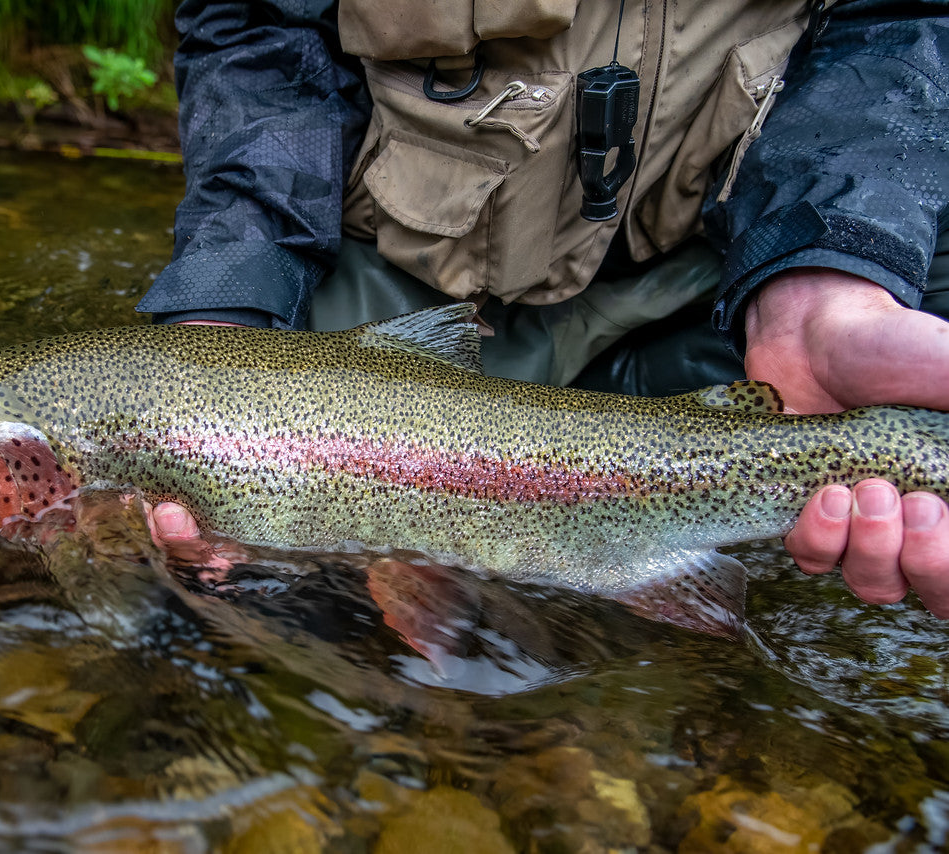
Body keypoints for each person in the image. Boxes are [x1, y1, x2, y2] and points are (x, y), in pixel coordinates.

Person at [135, 0, 949, 617]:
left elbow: (896, 17)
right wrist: (225, 313)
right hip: (395, 263)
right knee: (258, 601)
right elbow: (259, 27)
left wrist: (827, 271)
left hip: (724, 267)